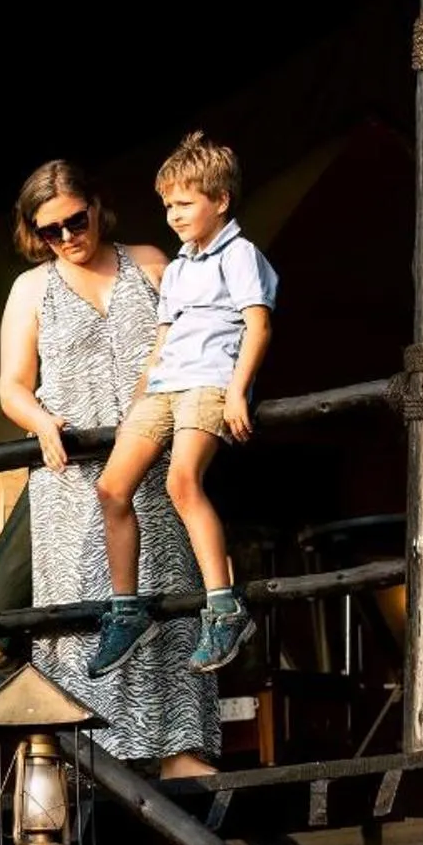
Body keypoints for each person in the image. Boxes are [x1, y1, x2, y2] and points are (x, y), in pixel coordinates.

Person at [0, 159, 219, 777]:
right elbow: (11, 386)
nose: (68, 236)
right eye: (50, 230)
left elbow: (203, 338)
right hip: (72, 481)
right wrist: (41, 422)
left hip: (153, 464)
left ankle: (180, 752)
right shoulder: (31, 290)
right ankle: (83, 764)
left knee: (167, 604)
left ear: (96, 206)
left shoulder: (151, 263)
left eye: (75, 219)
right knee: (81, 617)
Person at [92, 133, 276, 677]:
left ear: (220, 201)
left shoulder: (240, 255)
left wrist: (240, 389)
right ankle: (126, 609)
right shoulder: (176, 268)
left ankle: (223, 608)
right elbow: (162, 337)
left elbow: (258, 325)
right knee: (112, 486)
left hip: (210, 382)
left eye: (185, 203)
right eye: (168, 205)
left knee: (181, 482)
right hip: (167, 384)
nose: (173, 215)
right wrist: (141, 395)